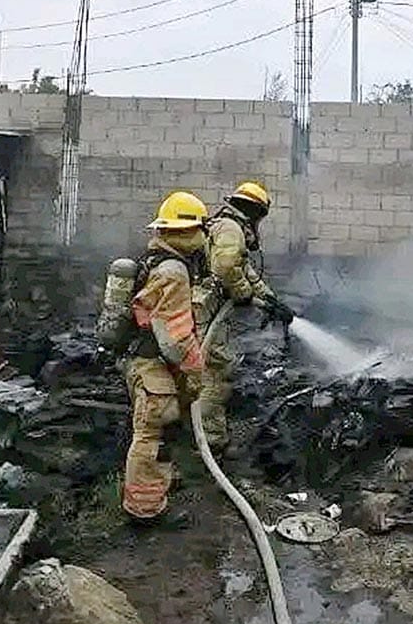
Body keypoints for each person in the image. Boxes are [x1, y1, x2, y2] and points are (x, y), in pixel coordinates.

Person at [122, 191, 208, 523]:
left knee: (163, 430)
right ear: (187, 231)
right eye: (201, 228)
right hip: (154, 364)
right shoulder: (173, 271)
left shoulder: (156, 259)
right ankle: (145, 511)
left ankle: (159, 486)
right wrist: (195, 370)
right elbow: (174, 337)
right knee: (152, 437)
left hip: (145, 360)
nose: (204, 236)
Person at [200, 181, 294, 455]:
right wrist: (242, 294)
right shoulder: (231, 228)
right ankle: (210, 442)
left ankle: (201, 432)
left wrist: (270, 301)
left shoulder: (229, 226)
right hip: (204, 311)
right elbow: (226, 267)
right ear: (255, 211)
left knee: (209, 369)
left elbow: (245, 272)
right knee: (215, 372)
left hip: (207, 310)